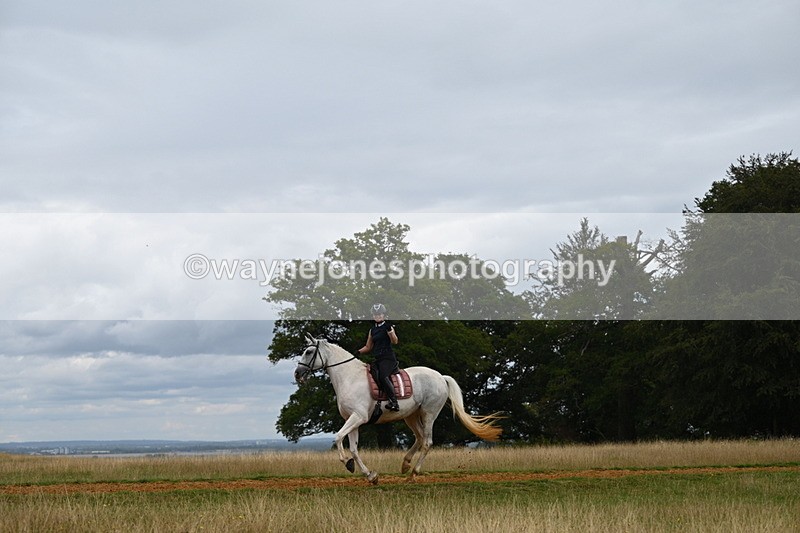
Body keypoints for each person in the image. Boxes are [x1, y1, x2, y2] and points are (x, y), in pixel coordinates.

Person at [356, 303, 400, 411]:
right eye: (375, 314)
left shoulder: (388, 327)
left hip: (388, 358)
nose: (377, 316)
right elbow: (368, 347)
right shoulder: (372, 330)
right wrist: (357, 352)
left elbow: (395, 341)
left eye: (379, 314)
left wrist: (390, 331)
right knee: (370, 375)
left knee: (383, 376)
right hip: (378, 359)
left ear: (383, 315)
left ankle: (394, 402)